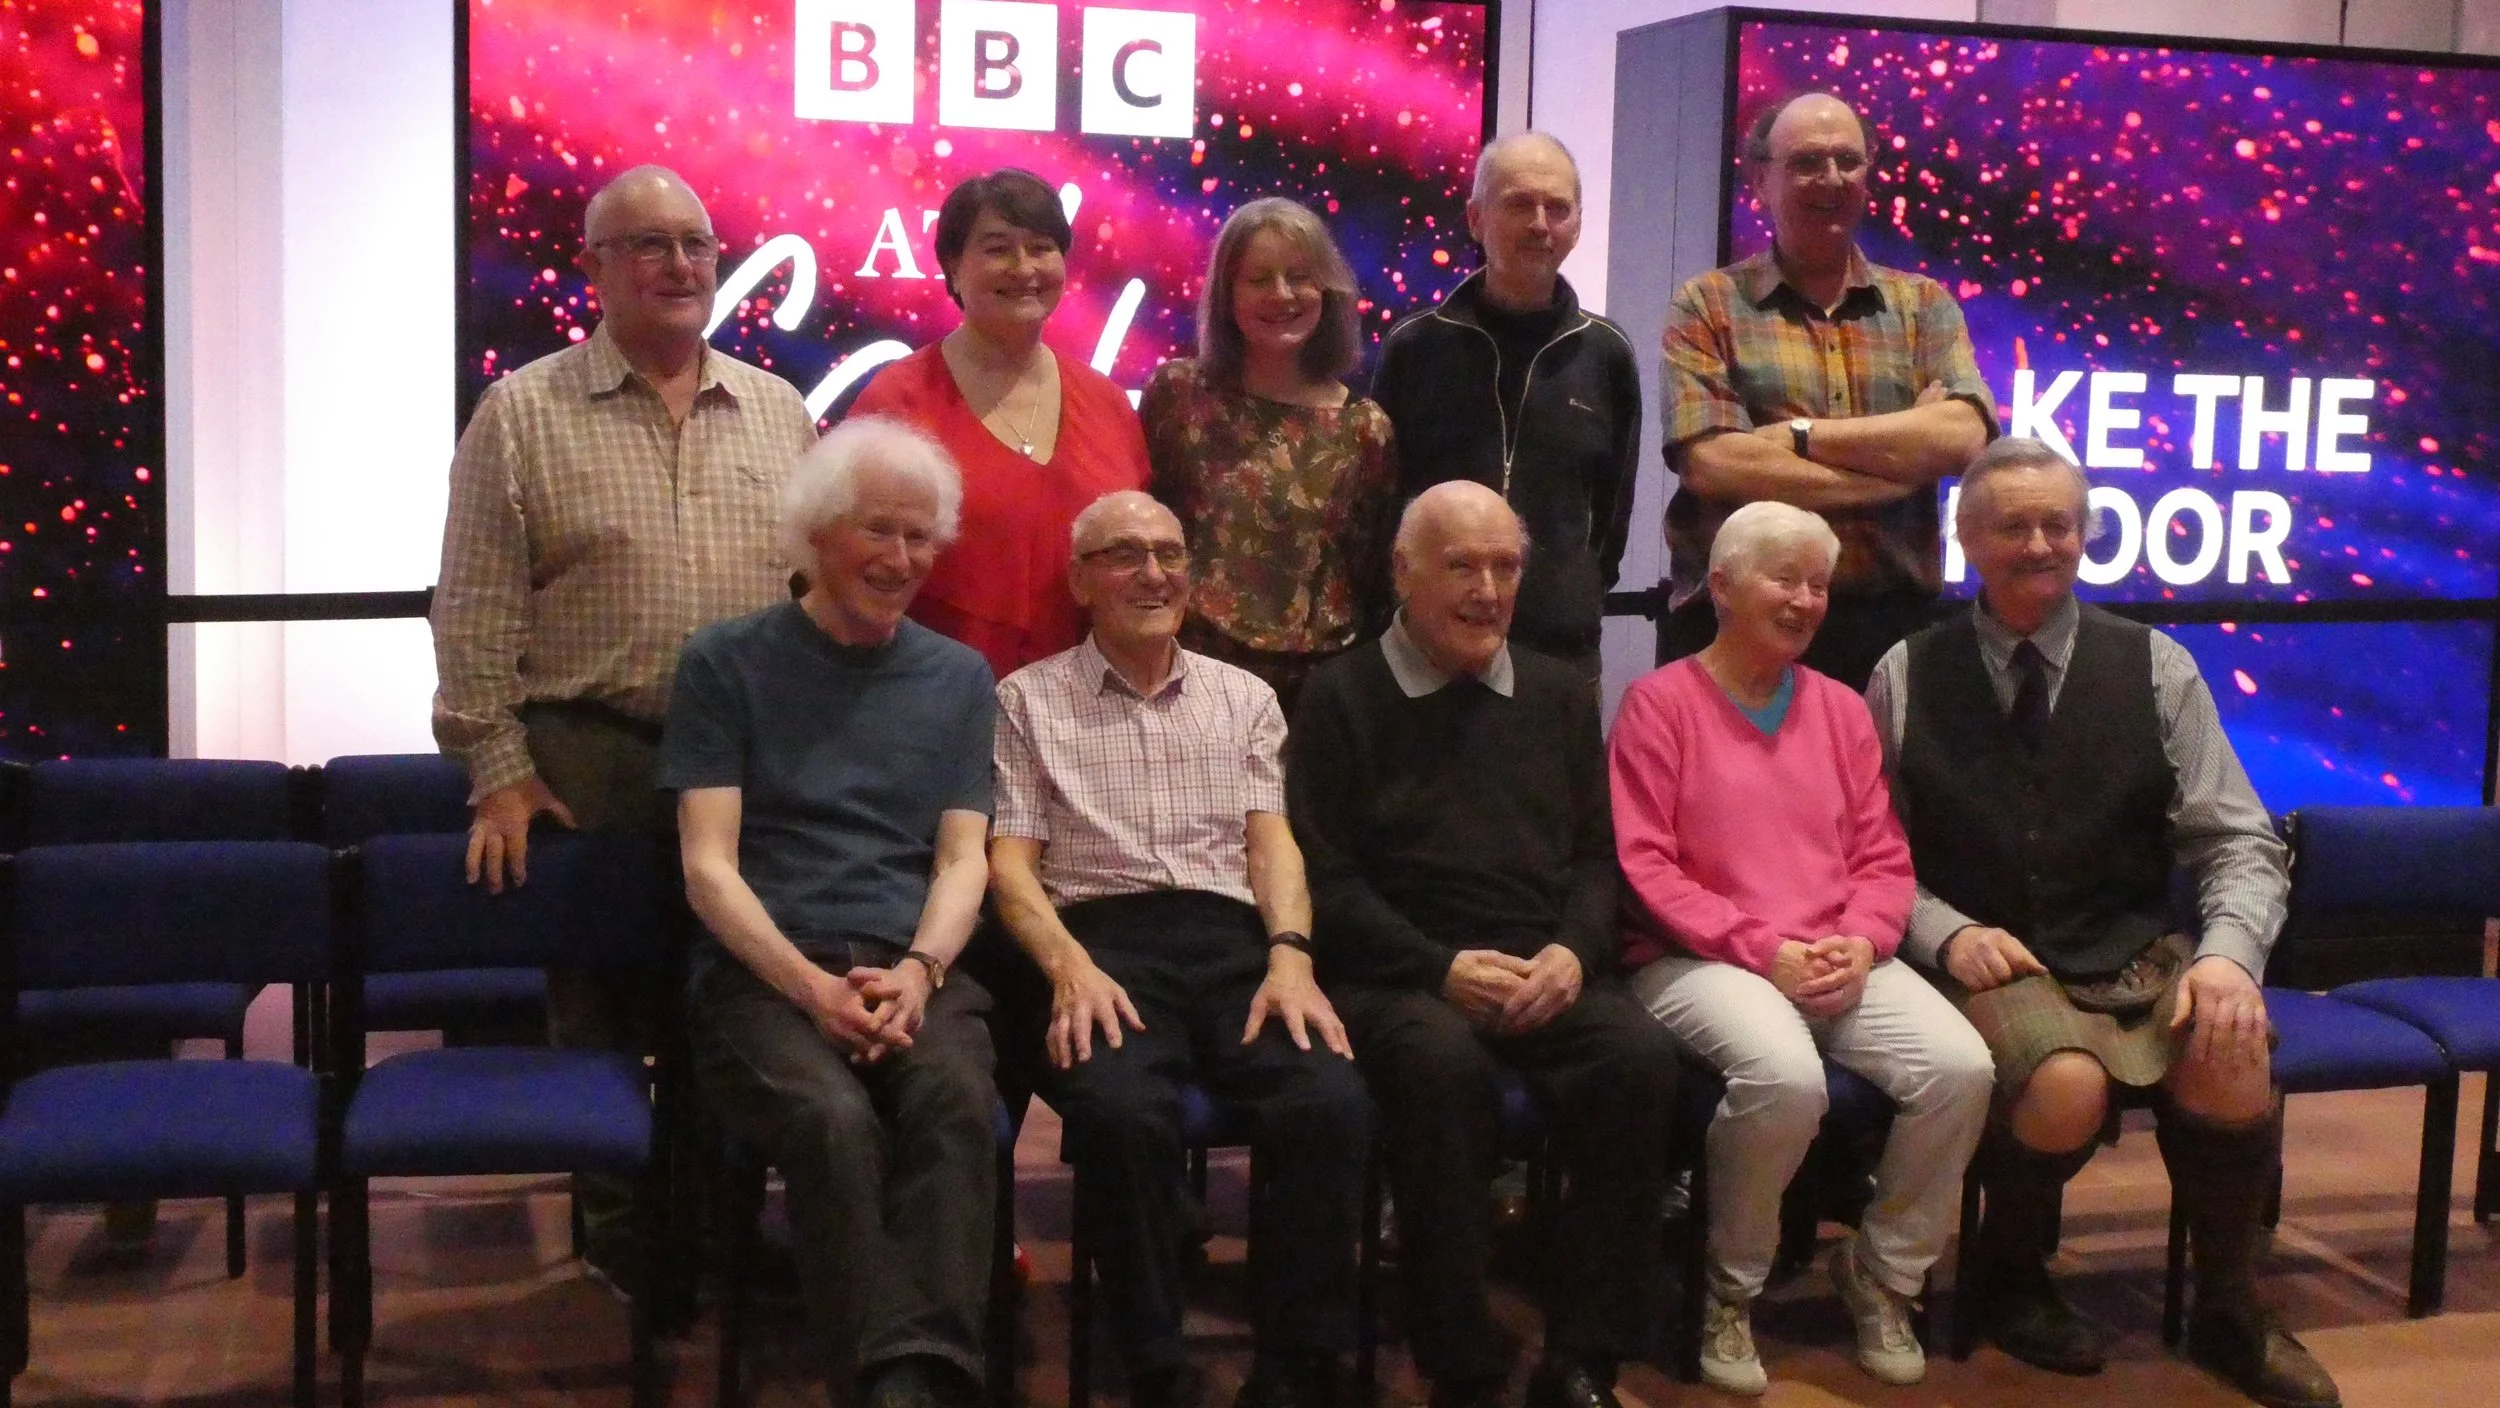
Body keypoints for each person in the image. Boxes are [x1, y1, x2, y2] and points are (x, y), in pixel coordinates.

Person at [1866, 437, 2341, 1408]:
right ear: (1965, 539)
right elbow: (1866, 850)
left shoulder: (2158, 666)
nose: (2039, 543)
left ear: (2084, 534)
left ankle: (2227, 1309)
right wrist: (1939, 930)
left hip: (2131, 947)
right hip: (1986, 957)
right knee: (2065, 1085)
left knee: (2230, 1048)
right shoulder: (1905, 674)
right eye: (2012, 525)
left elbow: (2240, 840)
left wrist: (2226, 959)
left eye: (2058, 523)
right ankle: (2008, 1277)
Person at [431, 163, 817, 1290]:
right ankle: (628, 1245)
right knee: (600, 1012)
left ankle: (725, 1233)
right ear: (593, 266)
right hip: (588, 757)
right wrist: (497, 768)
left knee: (735, 1008)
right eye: (647, 244)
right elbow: (473, 609)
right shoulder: (522, 411)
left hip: (745, 767)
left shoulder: (782, 412)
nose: (679, 264)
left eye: (696, 242)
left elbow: (810, 607)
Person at [1288, 482, 1678, 1408]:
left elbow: (1594, 858)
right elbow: (1325, 881)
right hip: (1401, 973)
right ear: (1402, 573)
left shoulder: (1553, 693)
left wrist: (1577, 954)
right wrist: (1436, 968)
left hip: (1542, 966)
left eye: (1506, 567)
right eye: (1462, 566)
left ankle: (1583, 1353)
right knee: (1440, 1070)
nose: (1489, 590)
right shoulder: (1340, 696)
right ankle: (1457, 1356)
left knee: (1640, 1061)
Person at [990, 490, 1371, 1408]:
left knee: (1331, 1100)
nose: (1153, 573)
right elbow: (1008, 864)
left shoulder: (1245, 698)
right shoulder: (1026, 699)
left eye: (1169, 553)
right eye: (1125, 554)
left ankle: (1292, 1367)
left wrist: (1290, 954)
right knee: (1123, 1117)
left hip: (1234, 943)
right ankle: (1155, 1360)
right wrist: (1067, 968)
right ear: (1080, 580)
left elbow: (1271, 843)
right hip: (1100, 945)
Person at [1608, 501, 1992, 1395]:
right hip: (1692, 957)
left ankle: (1884, 1275)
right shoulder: (1658, 704)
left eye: (1818, 584)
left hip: (1833, 951)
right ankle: (1727, 1292)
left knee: (1960, 1069)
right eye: (1785, 579)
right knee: (1786, 1079)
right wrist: (1760, 947)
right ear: (1726, 586)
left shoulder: (1842, 711)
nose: (1805, 600)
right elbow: (1645, 869)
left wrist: (1862, 943)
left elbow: (1883, 858)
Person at [659, 417, 1001, 1408]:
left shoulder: (957, 677)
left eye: (919, 537)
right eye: (876, 531)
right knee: (830, 1117)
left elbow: (961, 858)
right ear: (815, 532)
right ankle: (906, 1388)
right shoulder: (723, 664)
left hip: (913, 969)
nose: (898, 559)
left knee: (951, 1105)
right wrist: (812, 990)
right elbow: (709, 870)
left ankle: (908, 1383)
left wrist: (921, 972)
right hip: (764, 978)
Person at [1659, 92, 1996, 689]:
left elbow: (1964, 436)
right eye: (1808, 162)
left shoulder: (1924, 306)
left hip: (1897, 634)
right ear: (1761, 180)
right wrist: (1896, 472)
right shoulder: (1707, 304)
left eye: (1849, 161)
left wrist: (1797, 438)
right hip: (1739, 635)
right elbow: (1712, 464)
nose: (1832, 179)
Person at [848, 167, 1152, 681]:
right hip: (928, 699)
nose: (1023, 267)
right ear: (953, 266)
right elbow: (848, 570)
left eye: (1041, 247)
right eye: (996, 249)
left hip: (1090, 716)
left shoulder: (1109, 404)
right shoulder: (896, 402)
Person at [1369, 133, 1641, 678]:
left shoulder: (1607, 354)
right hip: (1428, 648)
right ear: (1475, 218)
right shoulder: (1416, 346)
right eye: (1519, 203)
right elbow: (1381, 499)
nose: (1541, 223)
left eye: (1558, 207)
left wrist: (1574, 588)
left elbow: (1612, 518)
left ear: (1577, 224)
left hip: (1558, 653)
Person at [1142, 198, 1398, 712]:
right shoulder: (1179, 396)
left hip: (1315, 695)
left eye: (1299, 276)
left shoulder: (1365, 428)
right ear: (1227, 294)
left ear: (1327, 290)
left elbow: (1372, 580)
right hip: (1188, 683)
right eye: (1258, 278)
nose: (1281, 295)